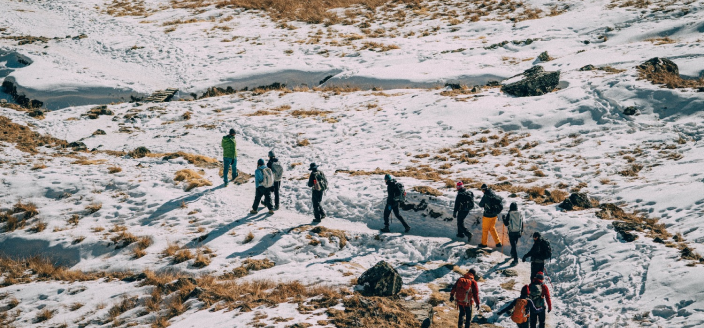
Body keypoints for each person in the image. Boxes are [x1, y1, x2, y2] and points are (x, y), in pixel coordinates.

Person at [477, 183, 503, 248]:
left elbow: (480, 204)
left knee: (485, 229)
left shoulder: (485, 196)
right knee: (492, 228)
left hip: (487, 215)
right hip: (494, 215)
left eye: (482, 190)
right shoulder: (493, 193)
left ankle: (484, 244)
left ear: (483, 190)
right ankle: (498, 243)